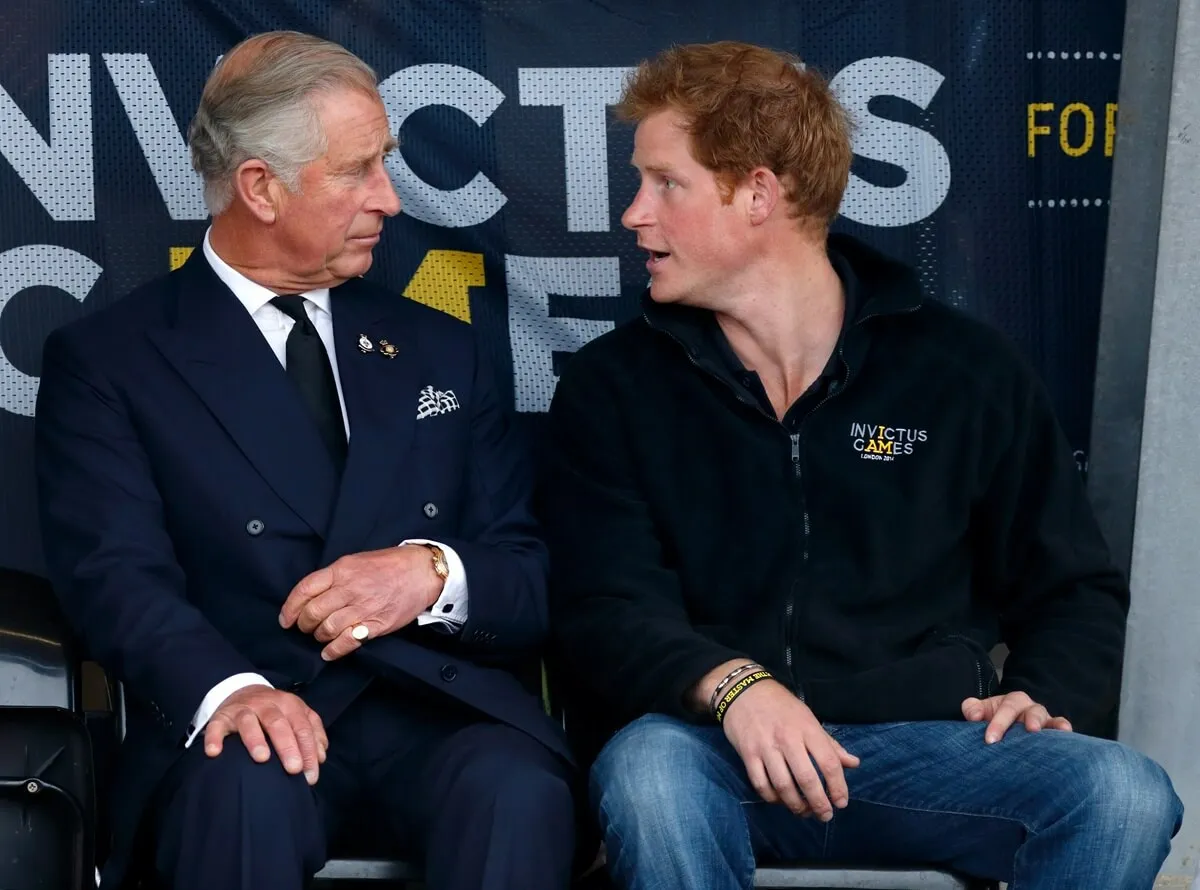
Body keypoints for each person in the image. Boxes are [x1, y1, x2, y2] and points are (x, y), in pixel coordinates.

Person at [540, 40, 1183, 890]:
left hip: (926, 749)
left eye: (666, 183)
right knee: (649, 771)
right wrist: (735, 688)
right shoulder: (610, 385)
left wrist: (1041, 693)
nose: (633, 214)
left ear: (759, 194)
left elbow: (1072, 586)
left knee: (1124, 793)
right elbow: (603, 605)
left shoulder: (962, 370)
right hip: (712, 750)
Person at [35, 31, 575, 890]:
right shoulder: (112, 360)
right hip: (249, 706)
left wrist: (431, 575)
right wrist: (229, 691)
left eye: (386, 164)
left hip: (433, 712)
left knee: (517, 790)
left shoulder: (442, 350)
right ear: (261, 187)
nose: (390, 201)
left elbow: (530, 572)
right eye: (359, 170)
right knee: (248, 787)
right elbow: (114, 576)